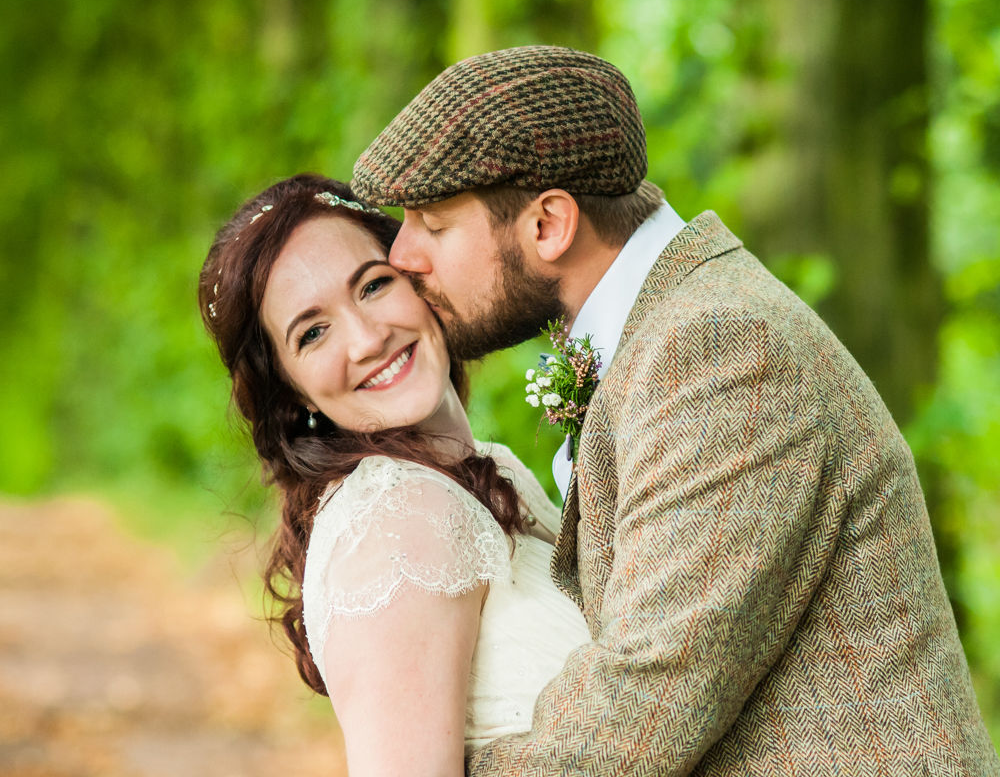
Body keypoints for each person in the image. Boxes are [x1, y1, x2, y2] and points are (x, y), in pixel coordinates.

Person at [351, 46, 1000, 775]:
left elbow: (647, 700)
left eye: (433, 226)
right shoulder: (667, 332)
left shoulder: (720, 345)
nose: (401, 255)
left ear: (548, 226)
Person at [198, 173, 591, 776]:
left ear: (418, 271)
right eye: (313, 332)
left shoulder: (482, 471)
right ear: (291, 392)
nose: (367, 338)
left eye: (374, 285)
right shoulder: (400, 517)